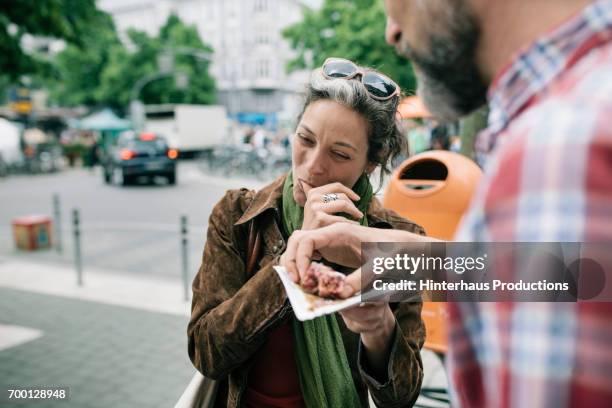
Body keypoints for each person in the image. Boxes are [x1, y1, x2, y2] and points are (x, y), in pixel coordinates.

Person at [281, 0, 612, 407]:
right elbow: (584, 275)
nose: (392, 32)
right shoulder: (579, 109)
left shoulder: (564, 137)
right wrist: (414, 256)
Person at [188, 58, 426, 408]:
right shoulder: (240, 216)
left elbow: (401, 398)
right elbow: (207, 353)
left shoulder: (395, 238)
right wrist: (289, 265)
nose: (313, 166)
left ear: (371, 163)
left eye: (340, 154)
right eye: (305, 139)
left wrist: (379, 329)